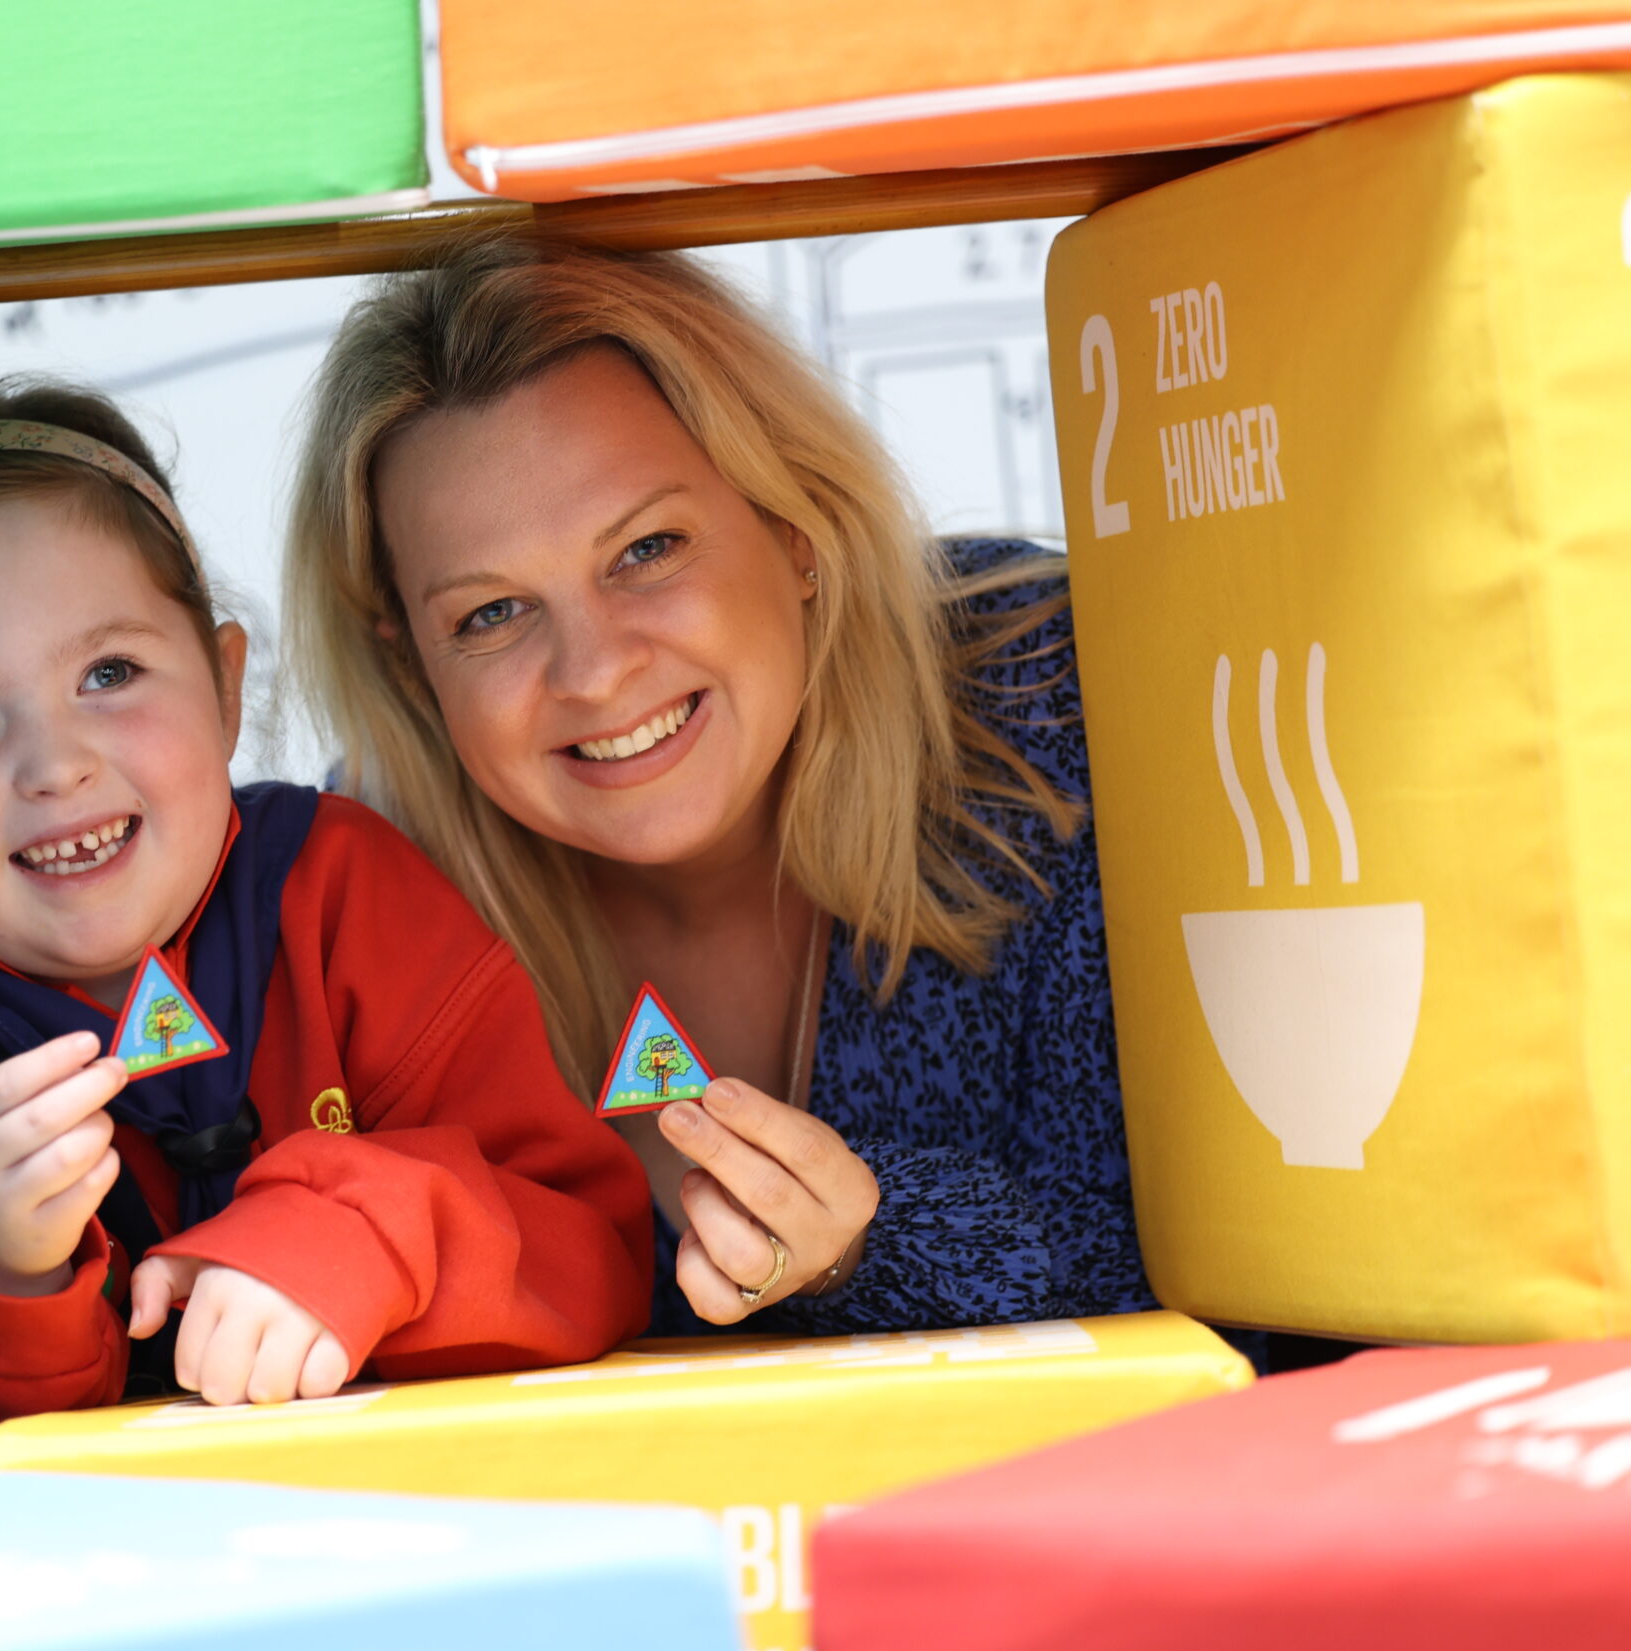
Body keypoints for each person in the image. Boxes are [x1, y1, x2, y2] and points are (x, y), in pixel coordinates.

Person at [285, 237, 1156, 1336]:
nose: (594, 671)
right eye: (490, 614)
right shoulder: (361, 896)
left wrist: (872, 1248)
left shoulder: (1047, 699)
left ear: (792, 525)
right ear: (412, 663)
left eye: (646, 549)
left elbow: (1218, 1283)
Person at [0, 382, 652, 1460]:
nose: (55, 767)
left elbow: (588, 1245)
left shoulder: (341, 900)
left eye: (110, 673)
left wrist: (356, 1236)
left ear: (226, 688)